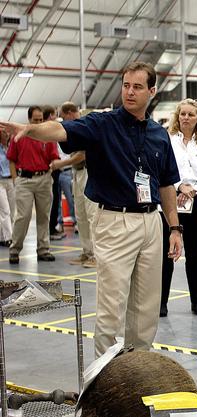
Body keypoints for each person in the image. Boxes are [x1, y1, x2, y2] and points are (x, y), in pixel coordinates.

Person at [0, 61, 183, 358]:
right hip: (115, 220)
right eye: (126, 85)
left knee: (146, 306)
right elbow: (59, 129)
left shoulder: (158, 134)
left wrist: (174, 228)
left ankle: (139, 367)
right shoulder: (102, 124)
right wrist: (30, 129)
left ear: (152, 91)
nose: (130, 92)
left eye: (137, 87)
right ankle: (103, 377)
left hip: (152, 222)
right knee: (112, 306)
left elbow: (166, 185)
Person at [160, 98, 197, 317]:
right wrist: (179, 186)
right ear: (177, 116)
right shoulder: (168, 139)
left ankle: (196, 301)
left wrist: (191, 190)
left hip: (196, 200)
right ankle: (162, 302)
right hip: (170, 199)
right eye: (182, 114)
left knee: (194, 253)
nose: (186, 118)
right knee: (167, 252)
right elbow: (162, 170)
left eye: (191, 114)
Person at [6, 106, 59, 264]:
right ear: (29, 119)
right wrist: (15, 179)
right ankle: (15, 249)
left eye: (40, 120)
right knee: (23, 216)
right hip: (24, 180)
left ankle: (43, 249)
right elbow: (11, 159)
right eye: (35, 120)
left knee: (44, 215)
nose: (38, 123)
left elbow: (53, 157)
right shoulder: (20, 136)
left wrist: (54, 167)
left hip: (44, 178)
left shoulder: (47, 137)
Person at [59, 102, 97, 268]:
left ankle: (96, 254)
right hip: (77, 173)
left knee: (91, 215)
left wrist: (60, 164)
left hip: (89, 173)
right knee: (80, 215)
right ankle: (86, 251)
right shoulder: (75, 128)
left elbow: (82, 155)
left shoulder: (85, 126)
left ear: (69, 113)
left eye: (63, 116)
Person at [41, 105, 65, 241]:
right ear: (50, 116)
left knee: (54, 201)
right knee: (51, 202)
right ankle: (50, 229)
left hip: (54, 169)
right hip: (50, 170)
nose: (56, 117)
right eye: (54, 115)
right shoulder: (47, 131)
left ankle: (51, 228)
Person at [0, 130, 14, 247]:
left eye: (7, 133)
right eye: (4, 133)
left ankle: (3, 236)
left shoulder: (12, 146)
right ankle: (9, 237)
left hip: (11, 180)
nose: (6, 134)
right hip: (0, 182)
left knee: (13, 211)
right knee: (5, 210)